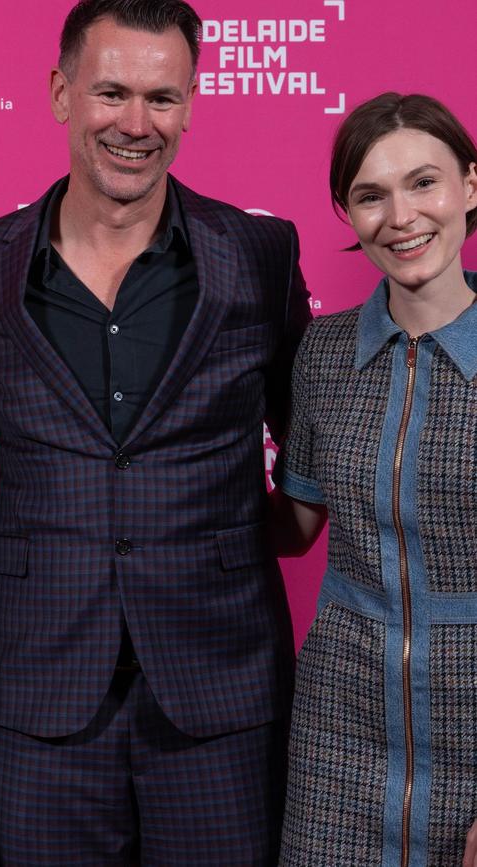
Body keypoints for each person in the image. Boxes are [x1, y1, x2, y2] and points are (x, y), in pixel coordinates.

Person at [0, 0, 311, 863]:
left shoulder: (260, 256)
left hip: (221, 694)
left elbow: (316, 444)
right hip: (38, 697)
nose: (136, 124)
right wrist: (39, 552)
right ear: (62, 93)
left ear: (191, 103)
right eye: (111, 93)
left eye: (163, 98)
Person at [272, 92, 477, 867]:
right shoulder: (322, 354)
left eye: (423, 183)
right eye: (370, 194)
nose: (401, 215)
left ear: (470, 186)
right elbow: (293, 526)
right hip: (340, 734)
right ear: (346, 213)